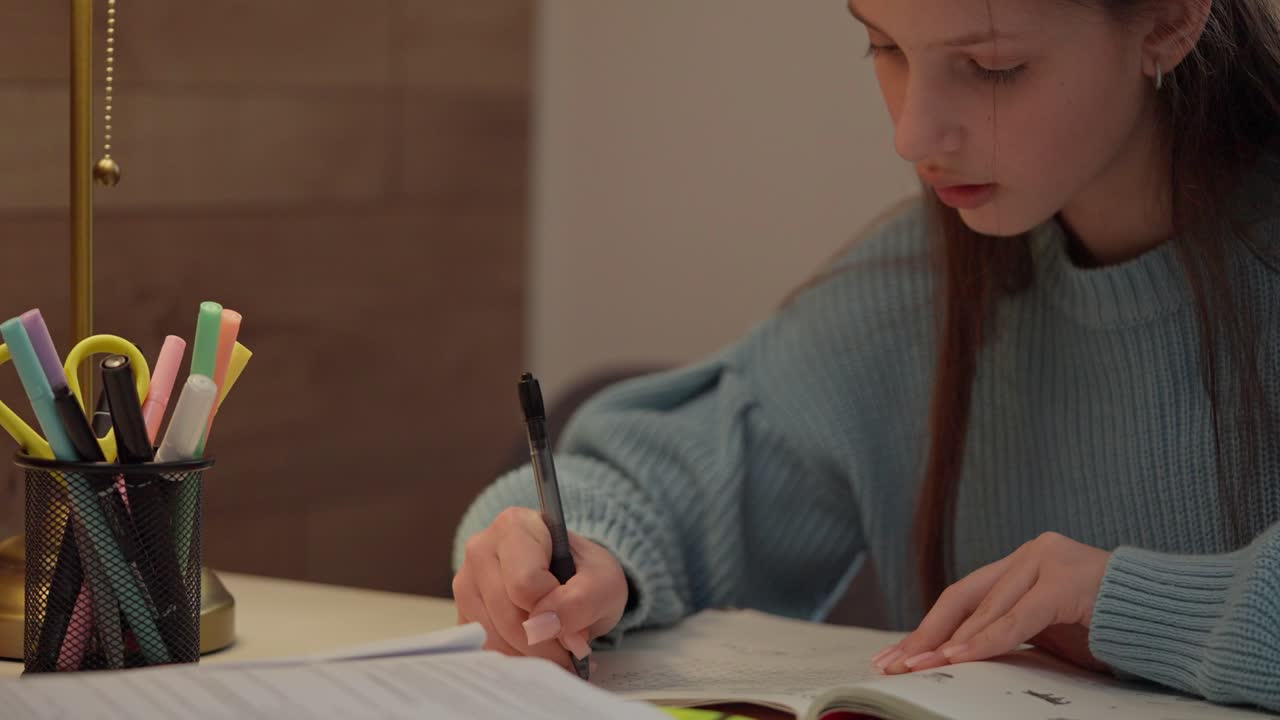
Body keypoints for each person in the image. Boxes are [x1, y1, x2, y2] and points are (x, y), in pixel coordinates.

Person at [452, 0, 1280, 711]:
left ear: (1169, 21)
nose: (912, 132)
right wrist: (567, 558)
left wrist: (1125, 604)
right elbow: (657, 477)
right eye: (884, 45)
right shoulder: (921, 287)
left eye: (993, 66)